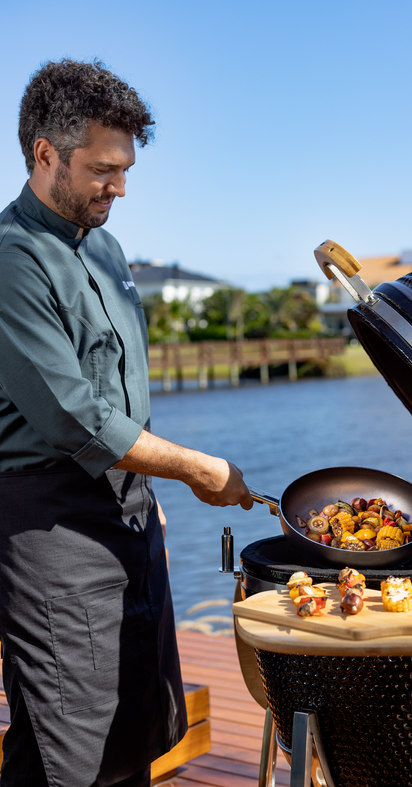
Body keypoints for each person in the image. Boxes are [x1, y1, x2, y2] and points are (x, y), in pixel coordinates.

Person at [0, 59, 253, 787]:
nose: (119, 188)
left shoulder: (107, 249)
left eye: (126, 169)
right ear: (46, 153)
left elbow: (119, 396)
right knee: (66, 744)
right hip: (50, 524)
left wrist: (151, 485)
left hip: (130, 511)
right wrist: (198, 468)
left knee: (138, 721)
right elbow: (74, 417)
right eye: (103, 169)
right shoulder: (13, 261)